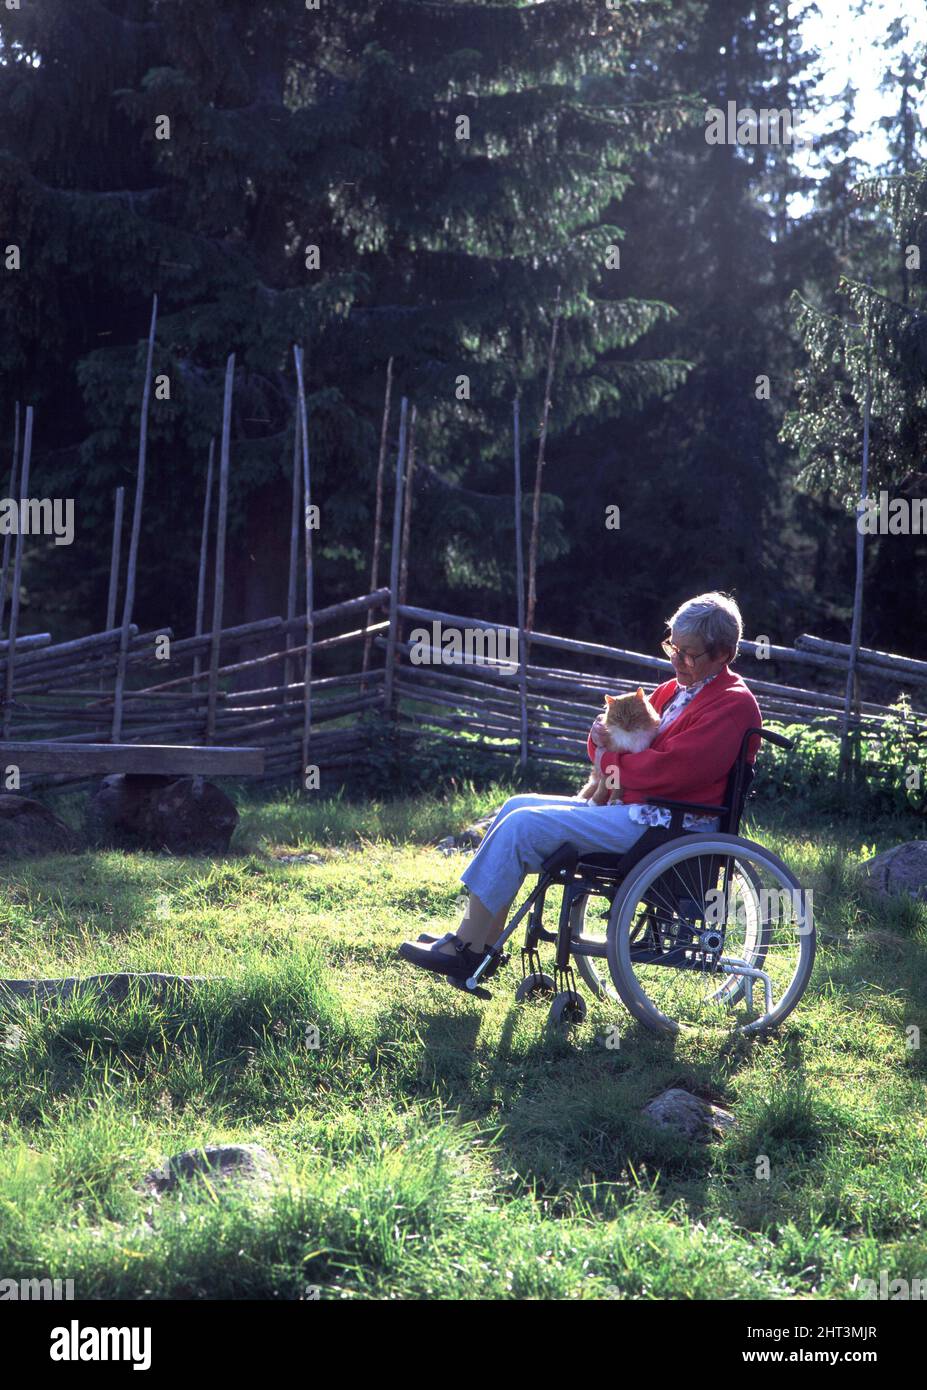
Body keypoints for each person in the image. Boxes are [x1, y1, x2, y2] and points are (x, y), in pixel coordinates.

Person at [397, 591, 762, 984]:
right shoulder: (675, 691)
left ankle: (465, 950)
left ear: (724, 654)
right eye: (673, 647)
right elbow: (616, 737)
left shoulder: (732, 704)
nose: (676, 660)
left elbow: (669, 772)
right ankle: (481, 945)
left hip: (670, 825)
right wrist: (600, 741)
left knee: (524, 828)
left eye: (689, 654)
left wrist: (607, 758)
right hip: (639, 809)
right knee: (515, 806)